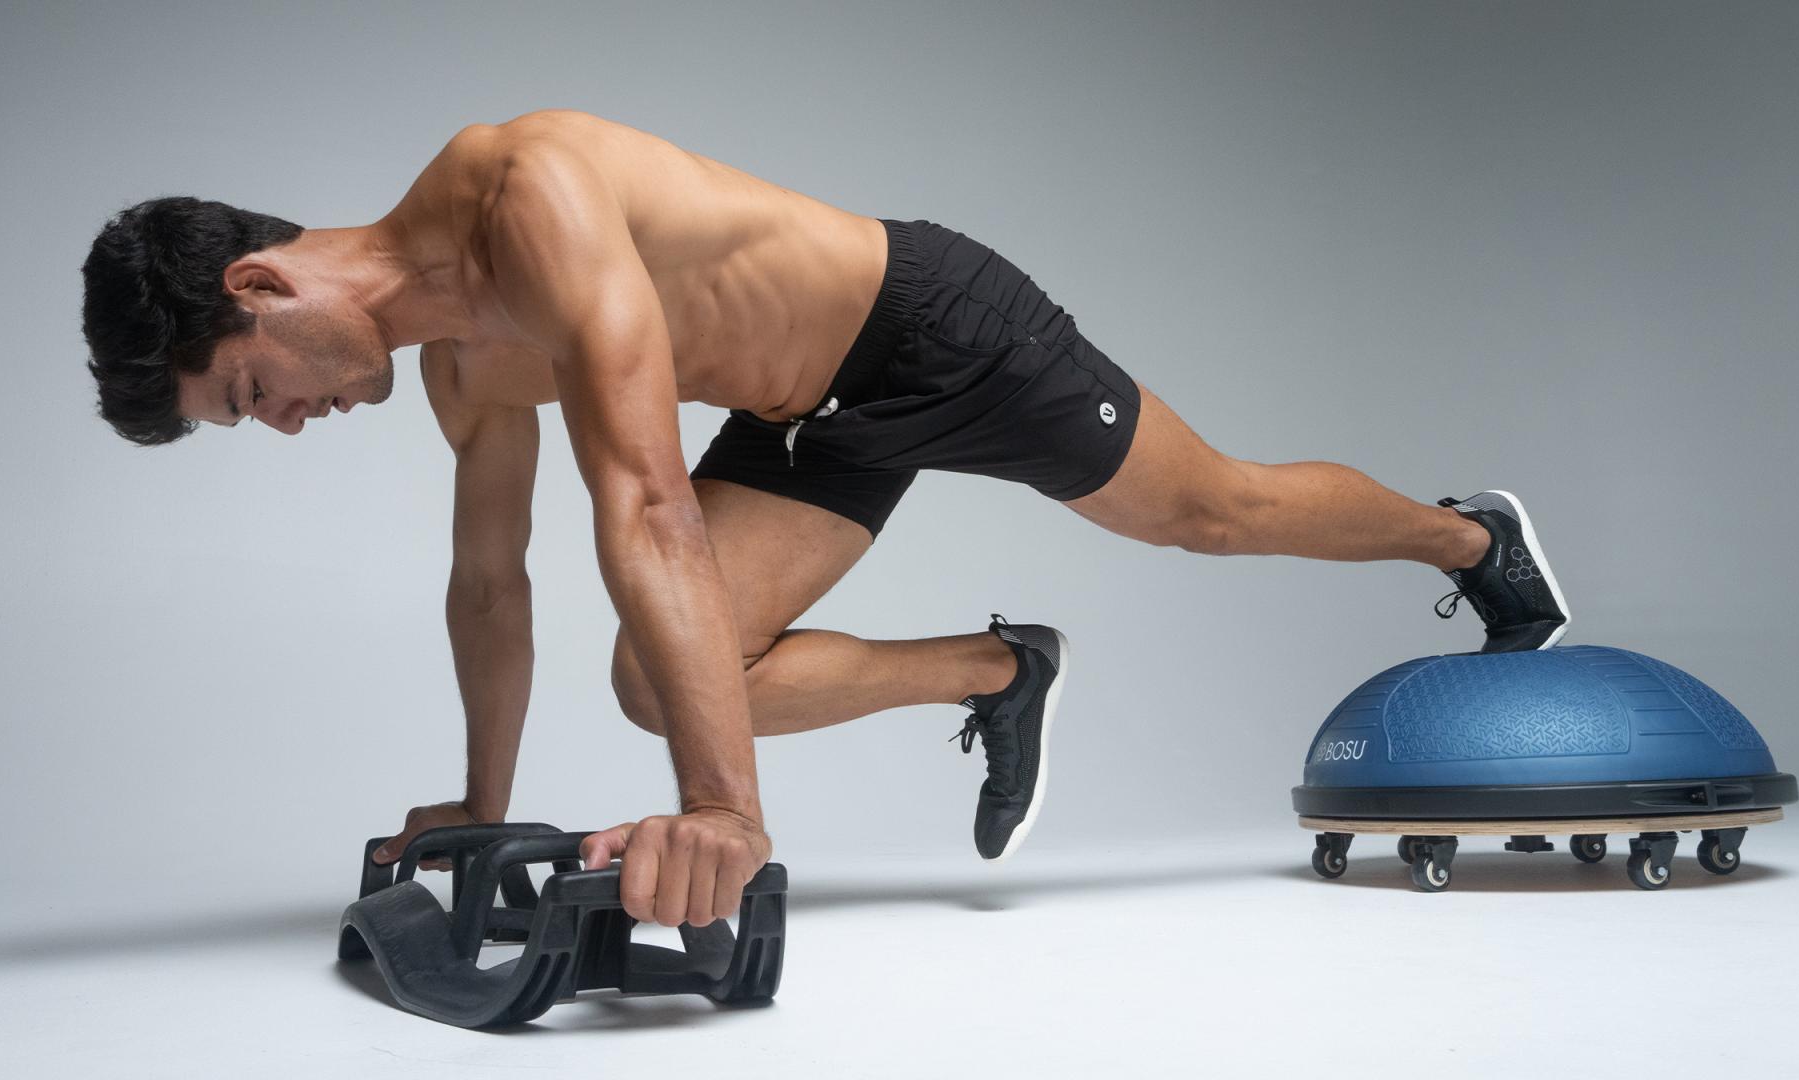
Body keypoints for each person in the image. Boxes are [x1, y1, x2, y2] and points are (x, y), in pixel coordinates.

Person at [80, 109, 1569, 928]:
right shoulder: (459, 373)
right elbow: (492, 589)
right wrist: (482, 807)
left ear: (258, 289)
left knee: (1212, 512)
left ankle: (1469, 540)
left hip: (925, 326)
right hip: (807, 422)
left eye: (246, 396)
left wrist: (727, 811)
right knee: (659, 674)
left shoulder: (519, 192)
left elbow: (647, 502)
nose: (282, 424)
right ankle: (1003, 672)